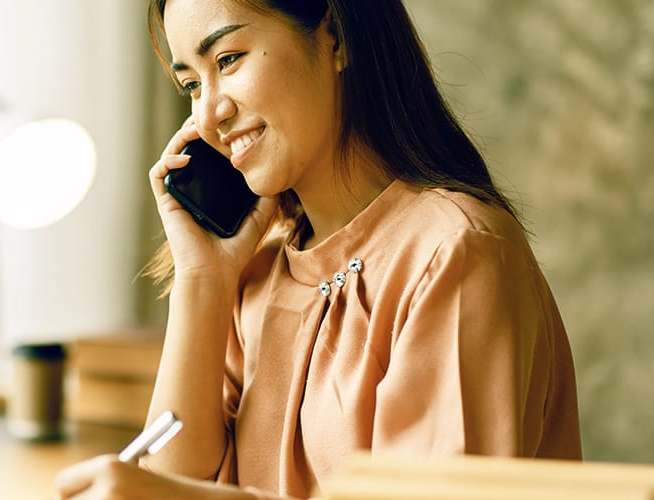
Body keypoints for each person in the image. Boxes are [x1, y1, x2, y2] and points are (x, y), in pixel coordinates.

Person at [55, 0, 582, 498]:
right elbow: (171, 479)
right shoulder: (257, 271)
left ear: (335, 37)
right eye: (191, 84)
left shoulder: (457, 255)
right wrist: (202, 281)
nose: (210, 112)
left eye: (229, 59)